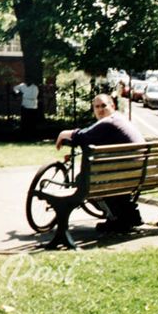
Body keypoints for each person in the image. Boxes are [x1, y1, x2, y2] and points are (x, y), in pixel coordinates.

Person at [56, 93, 145, 233]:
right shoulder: (120, 119)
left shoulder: (109, 121)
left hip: (126, 173)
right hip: (138, 172)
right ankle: (127, 216)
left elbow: (83, 136)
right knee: (104, 178)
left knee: (83, 181)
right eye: (97, 107)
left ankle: (117, 219)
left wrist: (63, 133)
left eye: (104, 105)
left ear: (112, 106)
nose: (100, 109)